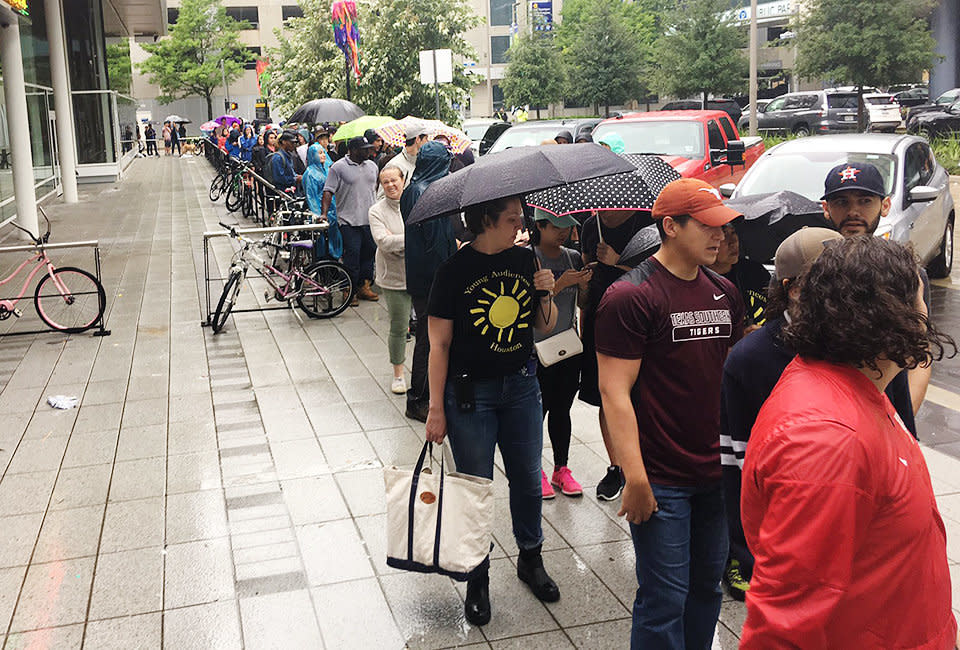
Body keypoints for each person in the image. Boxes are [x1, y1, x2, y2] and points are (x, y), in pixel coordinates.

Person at [739, 235, 957, 649]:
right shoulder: (826, 439)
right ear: (892, 316)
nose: (926, 311)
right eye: (919, 298)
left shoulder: (857, 390)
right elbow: (783, 627)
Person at [596, 178, 745, 649]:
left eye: (722, 226)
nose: (720, 235)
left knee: (705, 591)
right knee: (664, 598)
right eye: (707, 226)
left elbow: (733, 382)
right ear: (671, 227)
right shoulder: (630, 296)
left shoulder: (725, 292)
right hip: (662, 479)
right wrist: (634, 478)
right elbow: (614, 392)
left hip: (716, 474)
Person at [425, 195, 561, 627]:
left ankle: (531, 558)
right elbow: (438, 345)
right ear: (485, 221)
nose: (520, 226)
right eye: (511, 219)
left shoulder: (526, 261)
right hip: (470, 395)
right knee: (475, 487)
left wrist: (547, 291)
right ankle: (477, 576)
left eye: (521, 219)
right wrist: (434, 409)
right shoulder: (452, 272)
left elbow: (544, 325)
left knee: (526, 478)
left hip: (522, 385)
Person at [579, 209, 645, 501]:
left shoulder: (644, 223)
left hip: (638, 317)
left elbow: (657, 272)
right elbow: (587, 274)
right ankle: (616, 465)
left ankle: (642, 461)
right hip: (599, 316)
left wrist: (617, 263)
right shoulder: (590, 226)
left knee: (641, 392)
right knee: (606, 393)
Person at [531, 209, 592, 499]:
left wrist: (583, 285)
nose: (563, 232)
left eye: (567, 227)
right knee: (536, 412)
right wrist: (561, 284)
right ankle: (535, 470)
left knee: (561, 410)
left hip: (568, 346)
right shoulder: (530, 258)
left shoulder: (571, 256)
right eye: (557, 226)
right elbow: (530, 306)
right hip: (538, 349)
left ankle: (561, 468)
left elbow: (584, 303)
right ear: (539, 227)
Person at [401, 141, 455, 422]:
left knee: (429, 338)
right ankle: (419, 398)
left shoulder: (417, 189)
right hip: (431, 280)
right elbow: (436, 243)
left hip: (426, 277)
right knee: (428, 340)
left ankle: (426, 395)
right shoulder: (424, 192)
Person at [322, 135, 379, 304]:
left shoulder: (372, 166)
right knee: (352, 256)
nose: (368, 151)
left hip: (369, 219)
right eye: (364, 149)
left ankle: (364, 286)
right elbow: (328, 191)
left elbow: (373, 188)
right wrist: (324, 213)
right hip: (348, 221)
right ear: (353, 150)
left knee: (369, 254)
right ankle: (349, 289)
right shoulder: (338, 167)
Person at [369, 166, 411, 394]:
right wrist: (411, 240)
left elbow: (423, 236)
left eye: (394, 180)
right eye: (385, 182)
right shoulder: (376, 211)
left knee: (428, 327)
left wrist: (398, 240)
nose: (390, 185)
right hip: (393, 278)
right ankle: (398, 374)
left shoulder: (414, 203)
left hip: (419, 273)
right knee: (399, 325)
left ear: (403, 180)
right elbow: (383, 243)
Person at [707, 223, 770, 331]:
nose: (733, 242)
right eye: (724, 234)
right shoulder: (702, 279)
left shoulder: (755, 271)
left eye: (733, 232)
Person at [303, 142, 343, 261]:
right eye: (319, 153)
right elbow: (311, 197)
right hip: (322, 213)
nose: (323, 155)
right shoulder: (310, 174)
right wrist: (319, 214)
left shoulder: (326, 170)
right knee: (323, 244)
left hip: (332, 210)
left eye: (323, 152)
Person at [384, 124, 431, 189]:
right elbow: (382, 197)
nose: (428, 142)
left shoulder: (423, 163)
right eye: (426, 138)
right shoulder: (394, 165)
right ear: (418, 139)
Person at [271, 130, 302, 195]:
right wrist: (295, 179)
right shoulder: (278, 158)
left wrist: (297, 176)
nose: (294, 145)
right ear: (284, 142)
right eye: (291, 142)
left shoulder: (289, 156)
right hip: (283, 193)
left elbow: (291, 172)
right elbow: (279, 179)